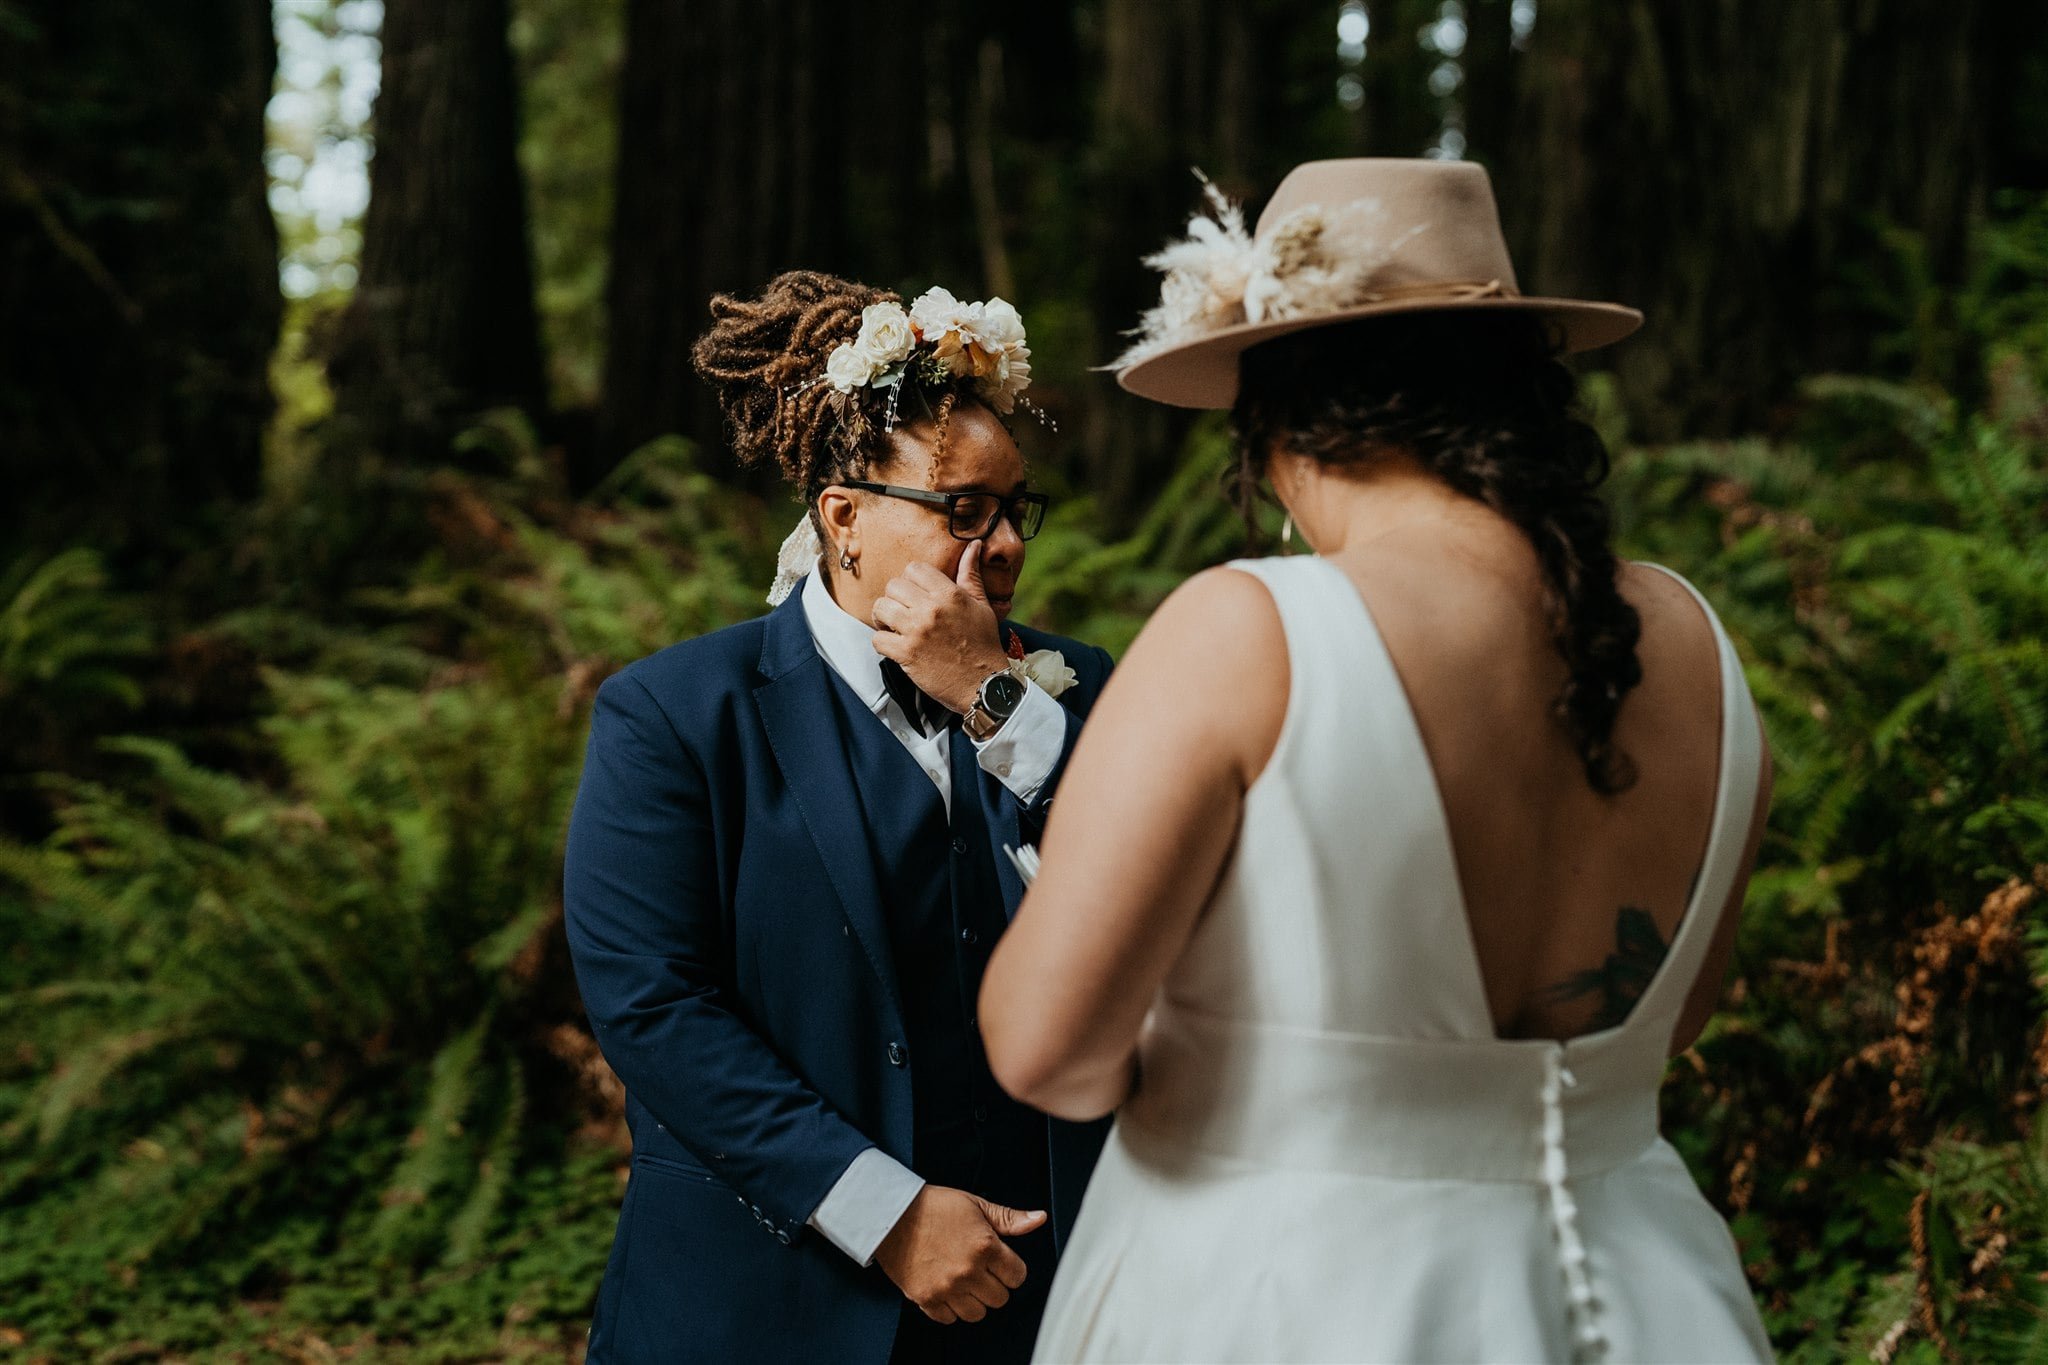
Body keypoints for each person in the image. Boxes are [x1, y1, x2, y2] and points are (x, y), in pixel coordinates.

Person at [979, 159, 1776, 1363]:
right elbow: (1661, 1023)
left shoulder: (1248, 630)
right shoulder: (1699, 649)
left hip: (1292, 1293)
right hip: (1642, 1293)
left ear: (1283, 422)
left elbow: (1047, 1052)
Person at [564, 270, 1114, 1365]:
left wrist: (992, 705)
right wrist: (886, 1214)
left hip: (1046, 1296)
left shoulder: (1079, 691)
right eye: (962, 508)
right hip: (764, 1301)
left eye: (1015, 510)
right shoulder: (673, 716)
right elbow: (653, 1007)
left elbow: (1155, 905)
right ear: (844, 519)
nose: (1000, 542)